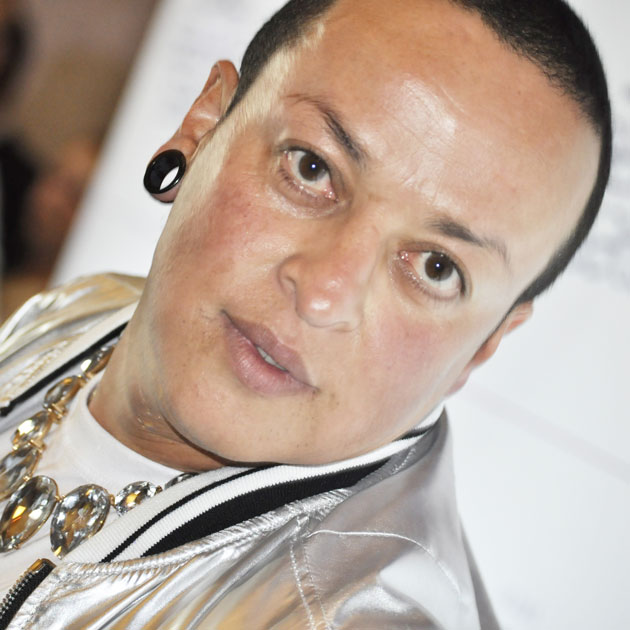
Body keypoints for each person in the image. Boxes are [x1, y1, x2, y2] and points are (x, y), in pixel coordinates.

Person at [0, 0, 611, 628]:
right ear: (204, 125)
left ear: (483, 346)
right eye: (312, 167)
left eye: (436, 267)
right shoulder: (85, 311)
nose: (323, 294)